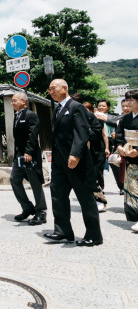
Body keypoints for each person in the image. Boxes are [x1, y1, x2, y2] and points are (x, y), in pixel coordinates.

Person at [44, 80, 102, 246]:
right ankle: (62, 231)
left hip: (76, 160)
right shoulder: (57, 109)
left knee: (85, 198)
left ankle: (94, 235)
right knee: (58, 195)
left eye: (53, 88)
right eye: (49, 89)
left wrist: (75, 153)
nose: (51, 91)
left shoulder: (76, 107)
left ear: (65, 88)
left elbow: (81, 131)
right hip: (59, 162)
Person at [10, 92, 47, 225]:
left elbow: (33, 134)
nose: (12, 103)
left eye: (15, 100)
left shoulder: (31, 115)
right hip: (19, 155)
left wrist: (29, 151)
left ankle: (41, 212)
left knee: (35, 183)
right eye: (12, 100)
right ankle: (27, 207)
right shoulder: (17, 115)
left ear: (23, 102)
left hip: (29, 154)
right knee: (14, 179)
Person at [95, 98, 132, 194]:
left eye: (103, 106)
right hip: (101, 143)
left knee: (116, 164)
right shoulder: (94, 117)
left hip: (114, 143)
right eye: (99, 105)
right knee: (99, 166)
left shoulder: (115, 117)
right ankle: (99, 187)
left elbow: (116, 123)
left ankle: (122, 187)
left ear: (108, 108)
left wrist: (106, 119)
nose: (101, 107)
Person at [116, 89, 138, 231]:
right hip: (130, 156)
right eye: (127, 100)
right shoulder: (126, 118)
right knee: (133, 189)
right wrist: (120, 147)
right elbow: (119, 135)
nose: (128, 103)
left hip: (136, 153)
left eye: (131, 100)